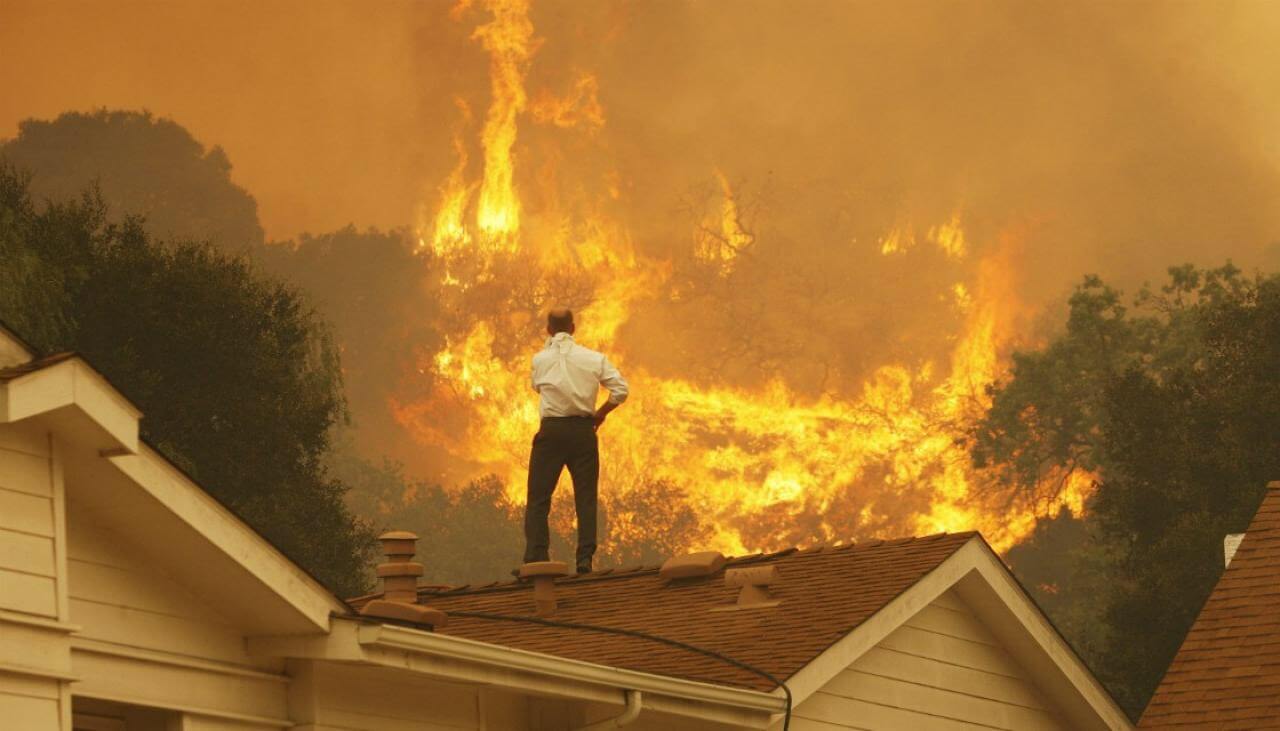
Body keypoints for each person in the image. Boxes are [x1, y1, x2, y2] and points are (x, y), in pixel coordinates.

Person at [522, 307, 628, 574]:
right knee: (586, 498)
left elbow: (538, 387)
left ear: (548, 329)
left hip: (552, 431)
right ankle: (584, 560)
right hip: (583, 432)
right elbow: (620, 390)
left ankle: (536, 559)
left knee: (538, 498)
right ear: (573, 328)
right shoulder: (594, 358)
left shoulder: (539, 360)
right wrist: (600, 414)